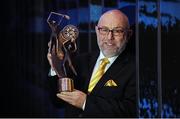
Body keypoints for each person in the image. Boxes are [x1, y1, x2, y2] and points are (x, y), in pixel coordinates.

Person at [47, 9, 136, 117]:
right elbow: (58, 102)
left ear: (129, 34)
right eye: (104, 29)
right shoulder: (80, 61)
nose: (109, 37)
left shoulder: (135, 68)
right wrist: (55, 66)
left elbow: (129, 111)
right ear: (97, 31)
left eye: (117, 31)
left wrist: (85, 102)